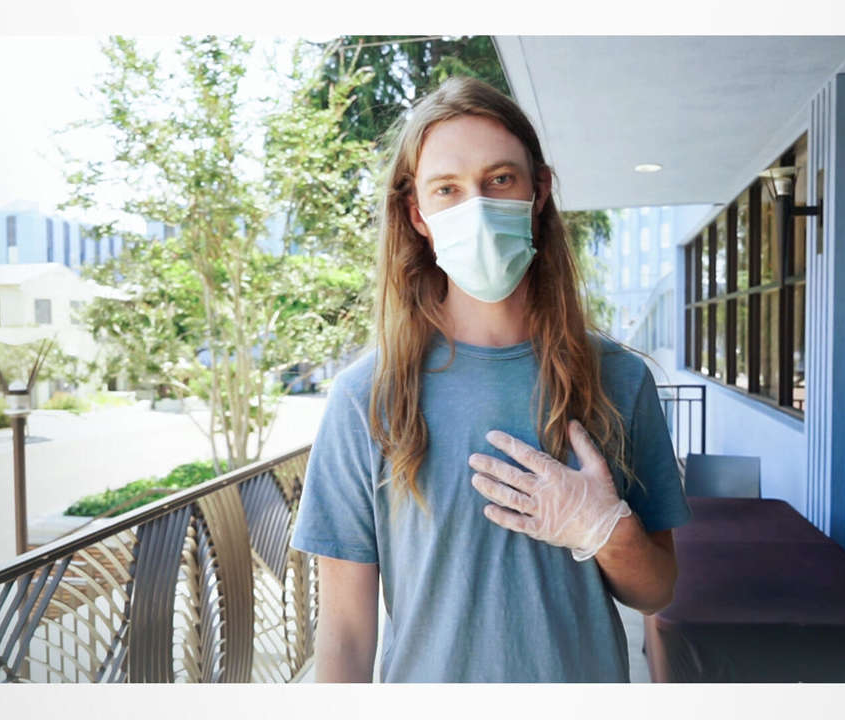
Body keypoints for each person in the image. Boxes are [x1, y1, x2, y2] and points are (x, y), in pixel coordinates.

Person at [287, 75, 692, 683]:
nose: (475, 208)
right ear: (417, 214)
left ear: (539, 191)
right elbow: (345, 632)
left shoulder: (620, 379)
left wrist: (604, 528)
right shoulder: (366, 397)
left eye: (500, 179)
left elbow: (656, 591)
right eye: (447, 189)